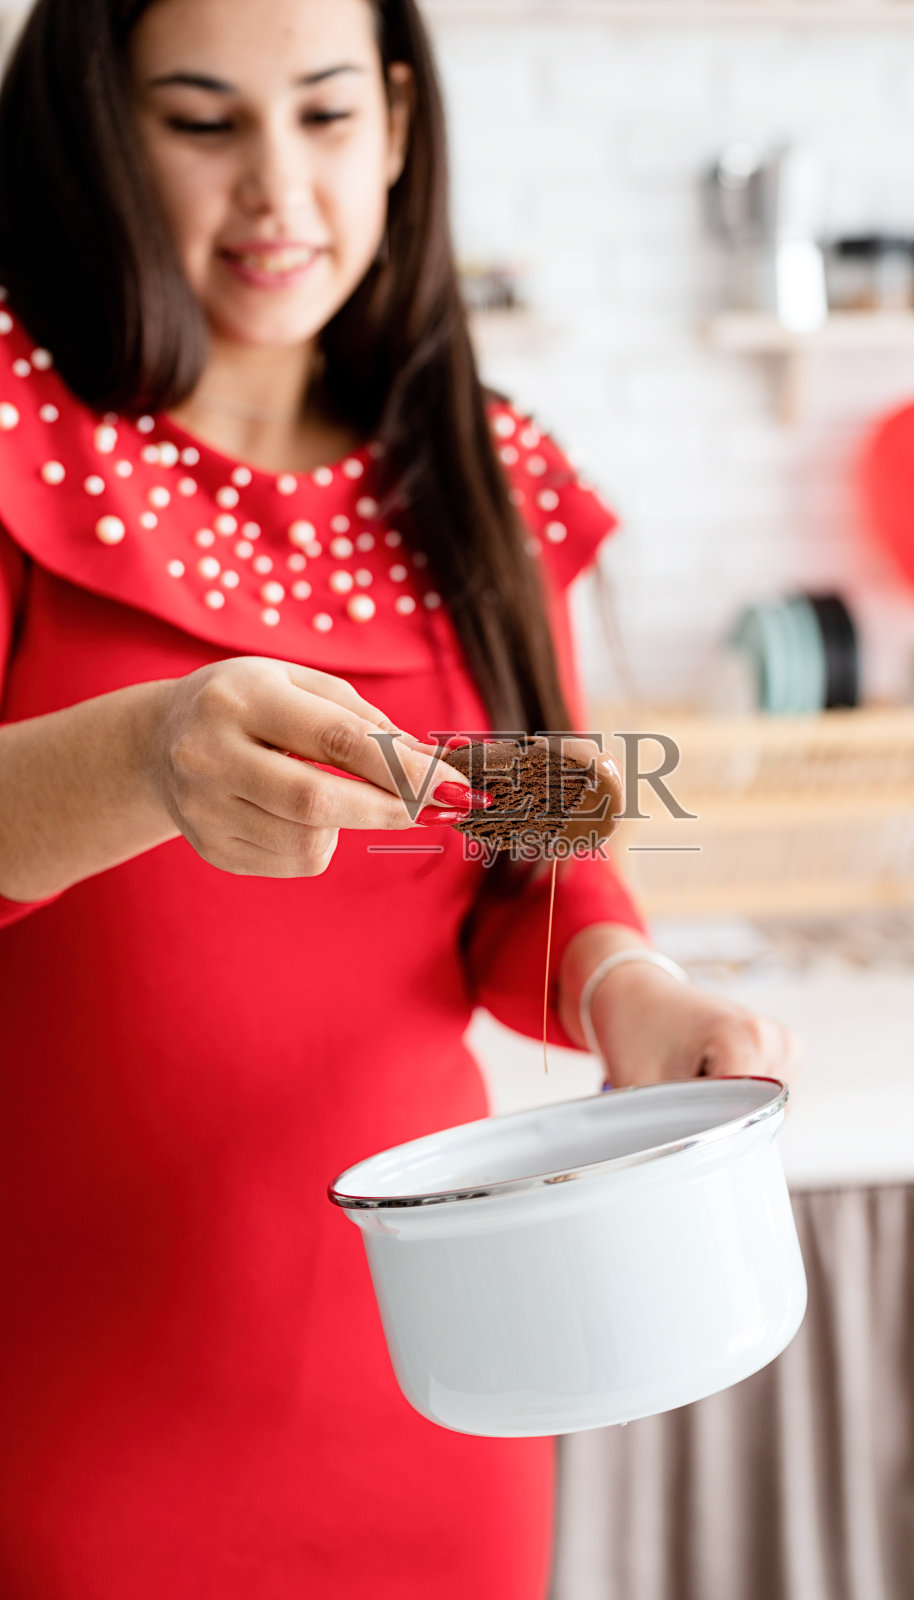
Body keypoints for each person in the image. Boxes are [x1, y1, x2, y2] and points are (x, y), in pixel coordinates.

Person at [0, 0, 793, 1594]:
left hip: (439, 1372)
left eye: (327, 116)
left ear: (403, 126)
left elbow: (533, 853)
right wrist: (145, 759)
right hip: (59, 1392)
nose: (279, 191)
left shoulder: (479, 470)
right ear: (96, 126)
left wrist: (619, 981)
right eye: (204, 121)